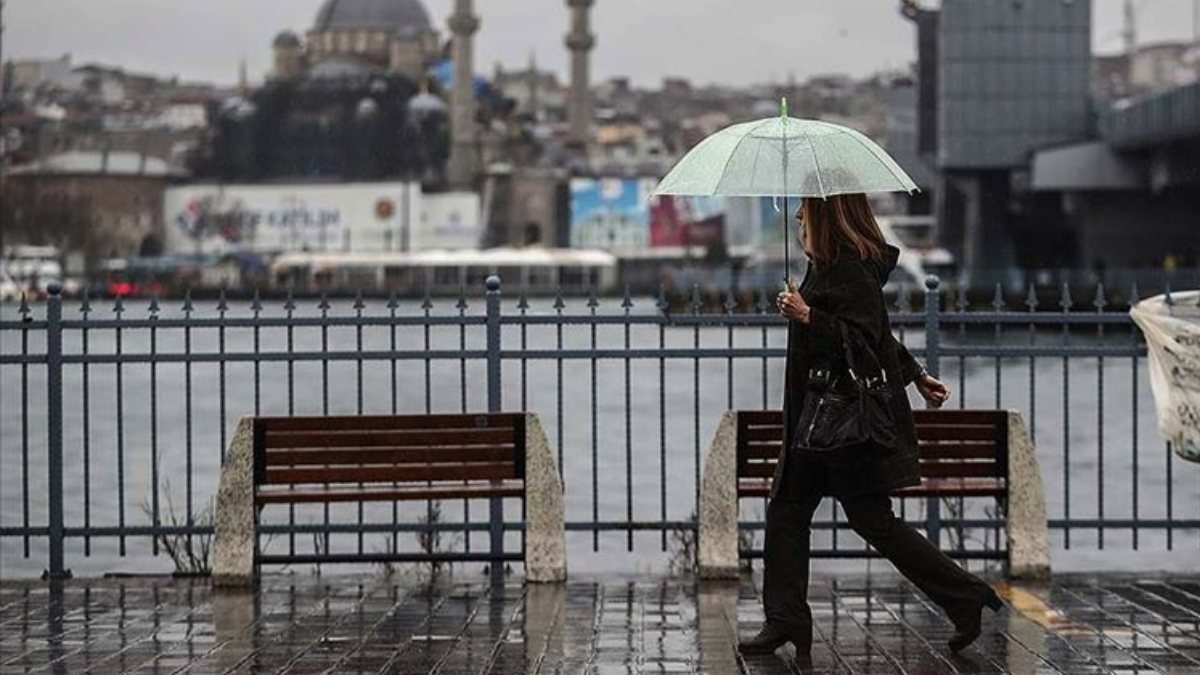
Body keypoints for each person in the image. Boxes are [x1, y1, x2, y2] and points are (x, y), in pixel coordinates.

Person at [739, 193, 1001, 656]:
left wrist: (808, 316)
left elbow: (861, 338)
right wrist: (917, 375)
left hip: (841, 423)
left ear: (827, 212)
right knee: (786, 512)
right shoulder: (826, 265)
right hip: (816, 422)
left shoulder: (850, 269)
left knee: (872, 522)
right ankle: (785, 620)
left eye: (805, 206)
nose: (798, 213)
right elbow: (877, 334)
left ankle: (965, 596)